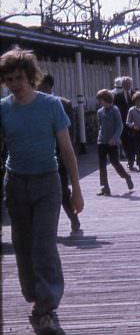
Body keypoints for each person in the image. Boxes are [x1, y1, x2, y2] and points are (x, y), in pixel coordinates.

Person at [0, 47, 84, 335]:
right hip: (16, 182)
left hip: (48, 181)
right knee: (22, 245)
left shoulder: (50, 106)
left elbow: (67, 150)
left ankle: (47, 309)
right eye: (9, 79)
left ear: (31, 76)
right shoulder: (3, 109)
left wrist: (76, 190)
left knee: (44, 245)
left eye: (19, 77)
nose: (15, 84)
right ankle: (37, 301)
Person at [38, 73, 81, 234]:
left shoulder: (64, 103)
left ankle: (73, 218)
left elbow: (71, 130)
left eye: (40, 85)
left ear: (48, 86)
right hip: (41, 154)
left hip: (59, 154)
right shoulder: (33, 103)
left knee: (62, 190)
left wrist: (69, 152)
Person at [95, 89, 133, 196]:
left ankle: (126, 177)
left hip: (112, 142)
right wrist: (100, 137)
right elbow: (100, 126)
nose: (99, 102)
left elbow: (120, 125)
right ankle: (104, 188)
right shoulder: (100, 112)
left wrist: (115, 138)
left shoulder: (114, 110)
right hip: (102, 141)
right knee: (102, 165)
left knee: (115, 162)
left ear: (106, 99)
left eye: (100, 100)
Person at [113, 76, 139, 170]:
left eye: (128, 83)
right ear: (122, 85)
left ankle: (132, 159)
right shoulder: (117, 96)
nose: (127, 85)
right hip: (123, 122)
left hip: (134, 122)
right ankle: (129, 159)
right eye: (125, 83)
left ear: (131, 84)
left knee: (134, 142)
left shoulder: (135, 94)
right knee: (125, 142)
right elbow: (115, 109)